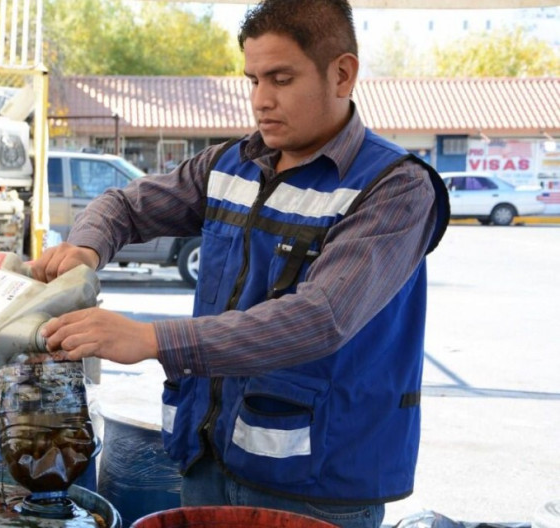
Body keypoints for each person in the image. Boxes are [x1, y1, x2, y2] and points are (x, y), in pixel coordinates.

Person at [29, 1, 450, 527]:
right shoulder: (233, 164)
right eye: (252, 79)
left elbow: (320, 318)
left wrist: (153, 339)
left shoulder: (396, 188)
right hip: (207, 461)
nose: (261, 101)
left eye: (280, 78)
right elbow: (123, 205)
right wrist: (85, 250)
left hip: (316, 488)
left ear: (342, 74)